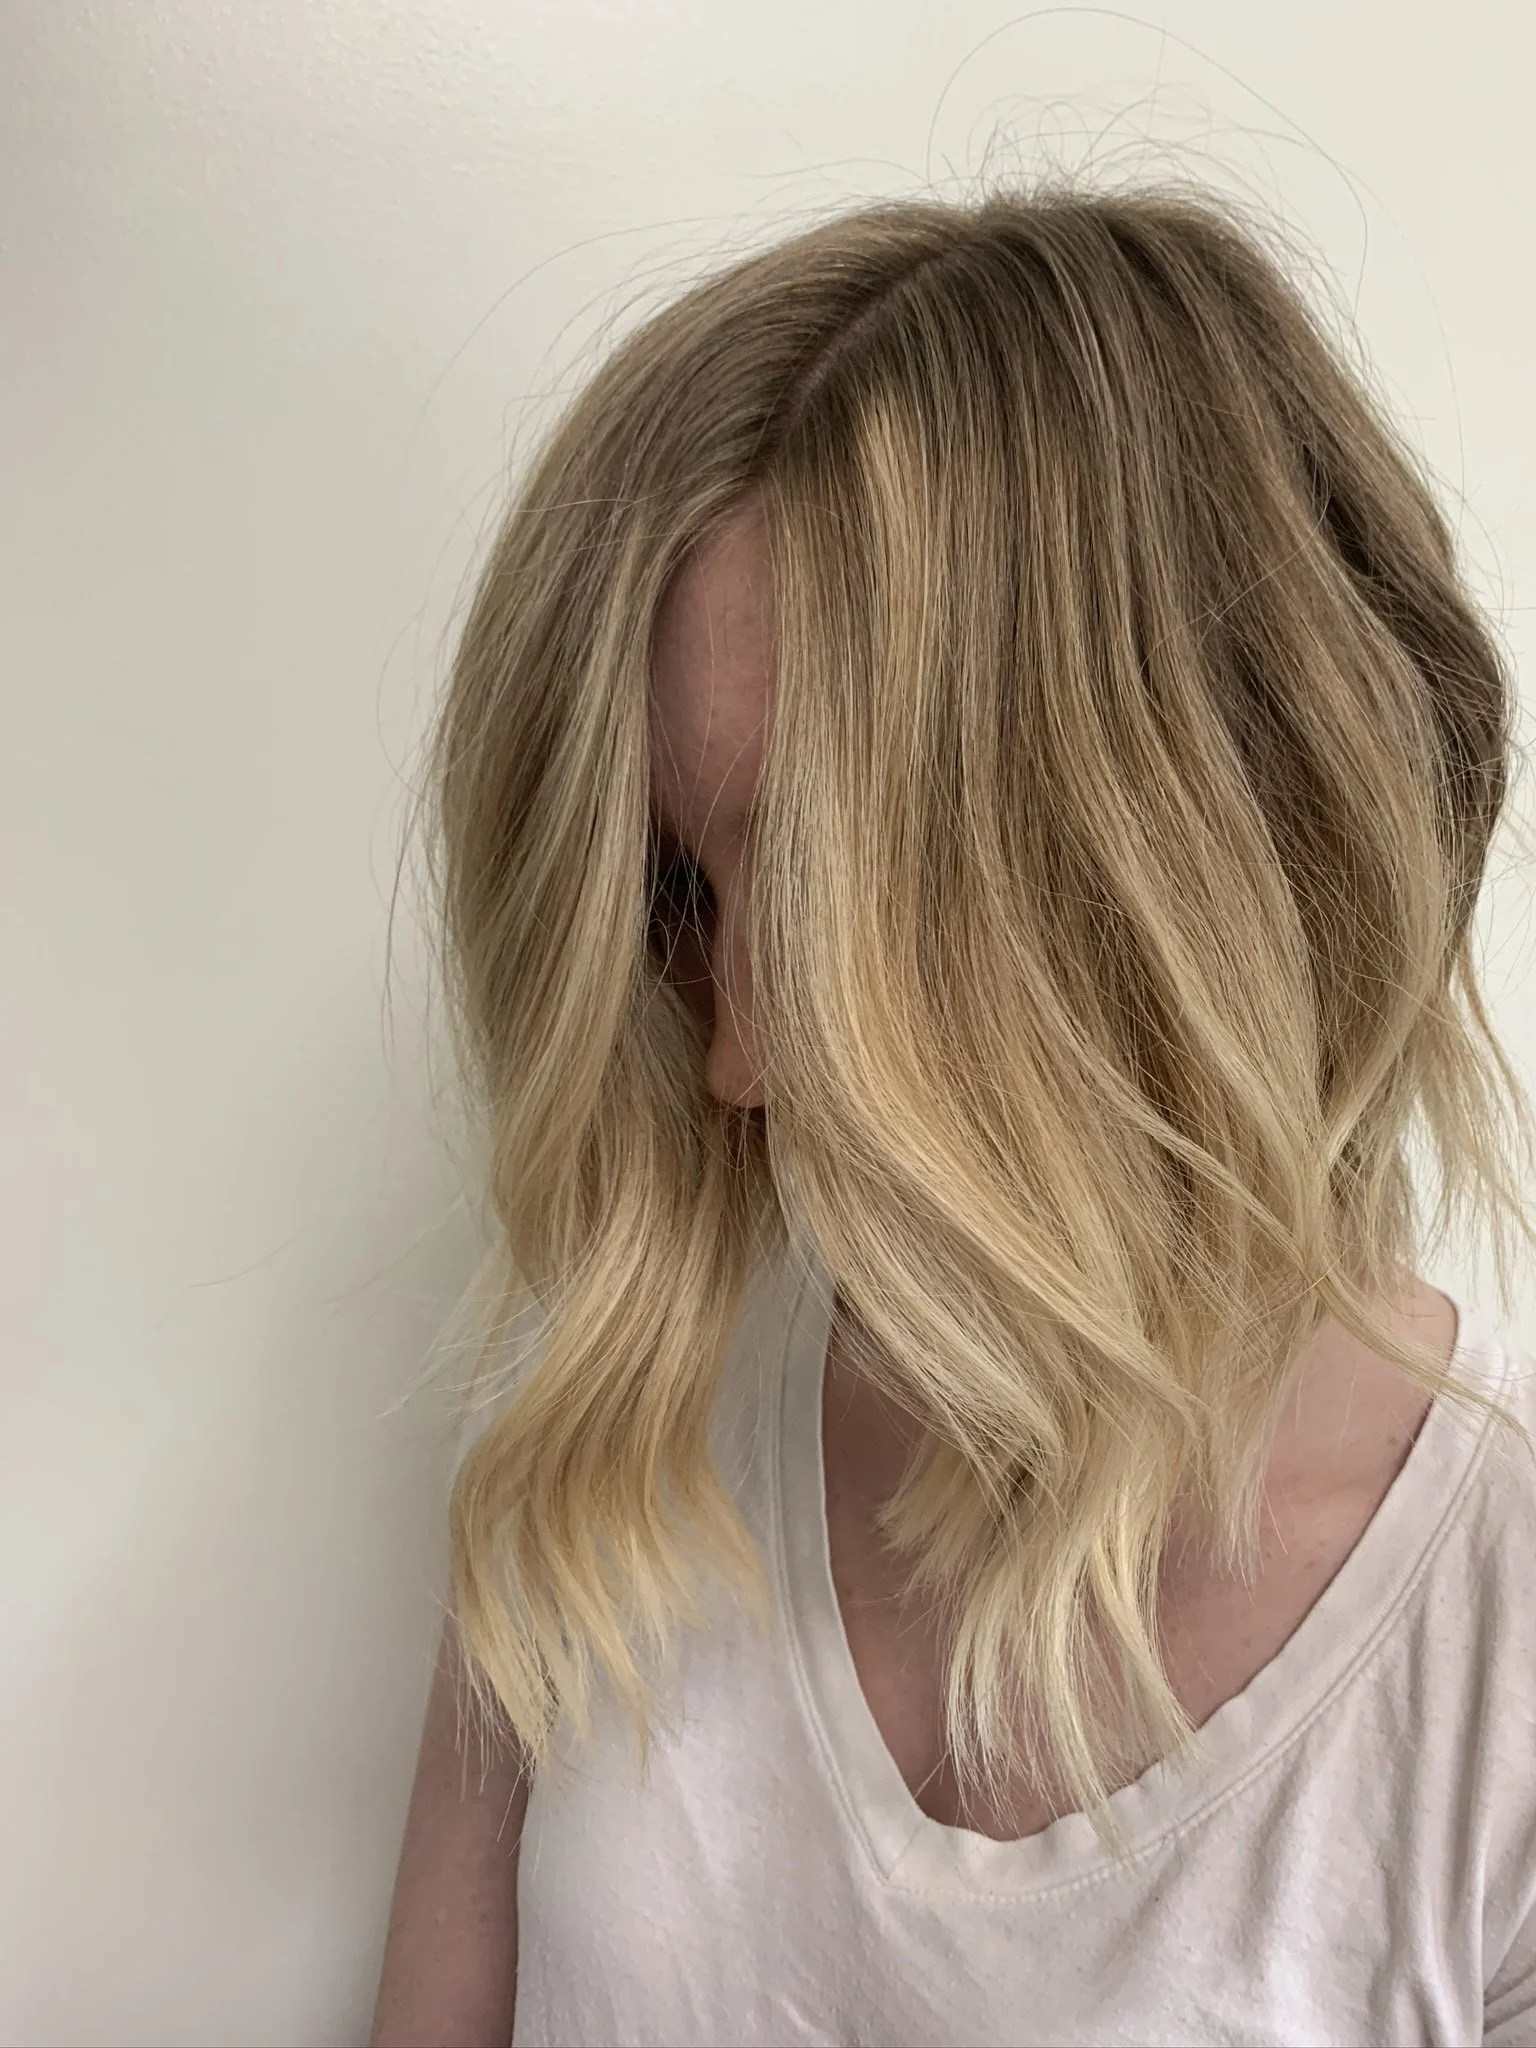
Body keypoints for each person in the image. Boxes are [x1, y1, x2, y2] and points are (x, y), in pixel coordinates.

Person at [370, 178, 1536, 2046]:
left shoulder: (1492, 1669)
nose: (737, 1058)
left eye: (847, 905)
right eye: (681, 901)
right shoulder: (602, 1477)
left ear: (1234, 846)